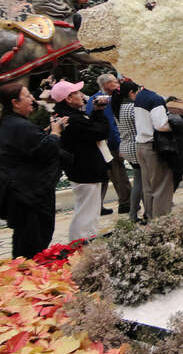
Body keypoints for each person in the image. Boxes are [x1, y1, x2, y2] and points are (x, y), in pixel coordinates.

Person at [0, 83, 70, 257]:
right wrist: (55, 133)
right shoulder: (19, 126)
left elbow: (30, 146)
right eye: (27, 96)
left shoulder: (11, 123)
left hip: (20, 194)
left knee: (25, 241)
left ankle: (25, 275)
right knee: (33, 245)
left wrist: (46, 133)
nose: (32, 99)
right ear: (15, 102)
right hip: (30, 195)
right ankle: (28, 278)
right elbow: (45, 151)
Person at [51, 79, 110, 242]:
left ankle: (83, 242)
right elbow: (100, 132)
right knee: (87, 212)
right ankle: (81, 244)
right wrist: (99, 114)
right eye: (76, 92)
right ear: (68, 99)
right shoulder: (73, 118)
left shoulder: (69, 116)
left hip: (82, 168)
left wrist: (96, 112)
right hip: (85, 169)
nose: (81, 95)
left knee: (87, 210)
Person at [86, 73, 131, 215]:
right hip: (108, 142)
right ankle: (126, 203)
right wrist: (118, 144)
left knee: (106, 175)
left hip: (100, 142)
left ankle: (98, 206)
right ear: (106, 85)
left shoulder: (93, 99)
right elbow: (111, 124)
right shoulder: (106, 100)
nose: (118, 83)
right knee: (118, 173)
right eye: (114, 81)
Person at [134, 85, 173, 219]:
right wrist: (178, 123)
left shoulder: (140, 95)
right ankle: (161, 222)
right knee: (161, 187)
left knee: (148, 187)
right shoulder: (155, 99)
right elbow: (161, 125)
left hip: (141, 145)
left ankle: (150, 217)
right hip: (153, 147)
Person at [111, 80, 144, 223]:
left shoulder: (118, 108)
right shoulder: (132, 107)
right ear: (131, 93)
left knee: (139, 179)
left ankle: (136, 213)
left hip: (125, 146)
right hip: (135, 146)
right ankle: (135, 213)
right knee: (140, 181)